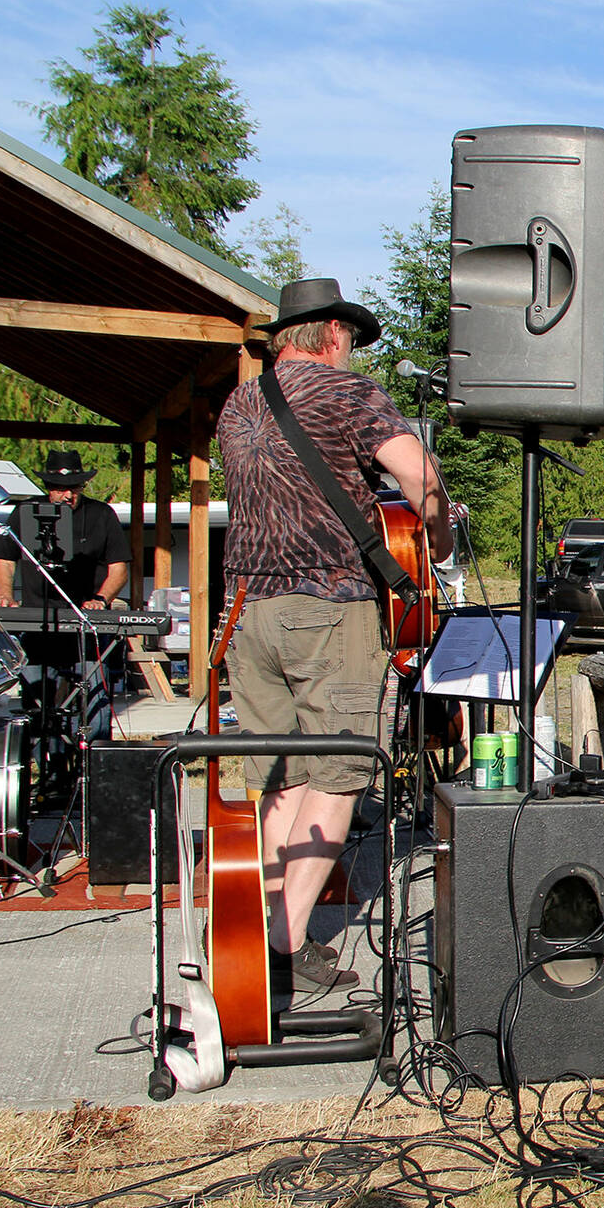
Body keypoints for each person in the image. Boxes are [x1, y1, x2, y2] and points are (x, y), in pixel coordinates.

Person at [216, 278, 452, 992]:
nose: (351, 350)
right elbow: (419, 473)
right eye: (347, 336)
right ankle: (280, 951)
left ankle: (255, 929)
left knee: (283, 776)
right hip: (327, 606)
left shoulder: (238, 403)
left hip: (247, 609)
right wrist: (437, 537)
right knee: (343, 770)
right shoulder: (348, 394)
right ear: (327, 335)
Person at [0, 449, 134, 747]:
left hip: (85, 623)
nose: (66, 495)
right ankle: (49, 767)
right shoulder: (24, 512)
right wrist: (5, 595)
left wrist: (101, 598)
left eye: (73, 489)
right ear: (48, 489)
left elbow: (119, 567)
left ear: (82, 487)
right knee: (36, 702)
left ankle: (93, 764)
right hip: (38, 622)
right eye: (59, 489)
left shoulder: (100, 515)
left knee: (93, 700)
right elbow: (6, 560)